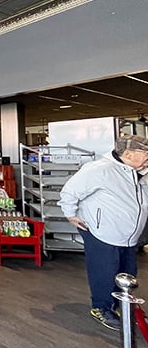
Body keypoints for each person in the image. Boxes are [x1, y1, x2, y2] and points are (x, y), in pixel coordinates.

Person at [58, 135, 148, 331]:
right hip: (102, 232)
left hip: (129, 236)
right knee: (104, 273)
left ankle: (124, 307)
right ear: (128, 154)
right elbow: (70, 192)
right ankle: (101, 307)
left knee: (128, 273)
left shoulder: (138, 171)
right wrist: (70, 214)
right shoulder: (99, 169)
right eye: (146, 153)